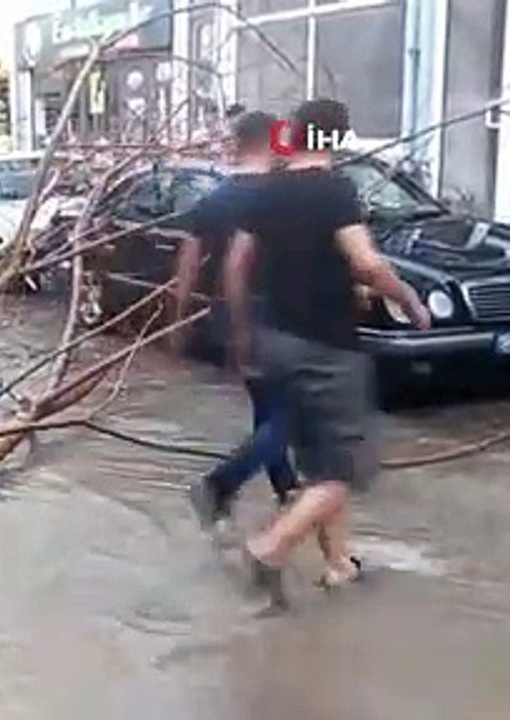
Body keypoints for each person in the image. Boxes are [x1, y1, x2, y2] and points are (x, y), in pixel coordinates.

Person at [223, 99, 430, 606]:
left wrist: (244, 332)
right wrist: (408, 300)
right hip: (327, 349)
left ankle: (339, 565)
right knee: (347, 469)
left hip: (275, 344)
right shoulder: (334, 189)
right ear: (334, 140)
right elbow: (366, 263)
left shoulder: (266, 192)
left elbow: (235, 266)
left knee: (320, 462)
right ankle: (270, 546)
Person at [171, 109, 300, 530]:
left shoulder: (215, 199)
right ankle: (220, 484)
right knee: (295, 414)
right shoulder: (282, 197)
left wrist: (181, 317)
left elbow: (188, 262)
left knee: (268, 407)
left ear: (238, 144)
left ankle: (287, 489)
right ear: (269, 141)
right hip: (278, 315)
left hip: (228, 314)